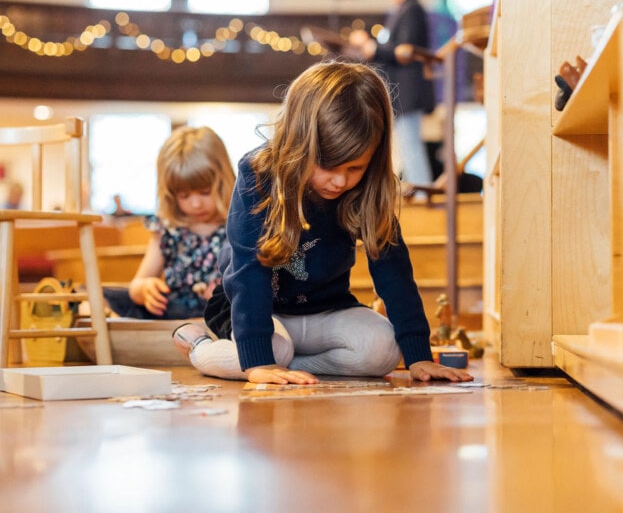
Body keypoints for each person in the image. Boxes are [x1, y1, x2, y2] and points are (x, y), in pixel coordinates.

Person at [172, 61, 473, 385]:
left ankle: (287, 365)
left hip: (325, 312)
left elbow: (394, 271)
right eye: (327, 165)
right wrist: (259, 361)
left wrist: (419, 357)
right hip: (256, 314)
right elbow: (247, 269)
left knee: (383, 351)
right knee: (271, 350)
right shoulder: (258, 174)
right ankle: (196, 344)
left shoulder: (368, 188)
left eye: (355, 168)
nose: (340, 181)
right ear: (298, 143)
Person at [101, 126, 235, 320]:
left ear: (225, 181)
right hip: (174, 314)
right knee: (105, 298)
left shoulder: (238, 225)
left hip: (224, 315)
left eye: (205, 192)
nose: (196, 204)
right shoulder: (167, 229)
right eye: (184, 195)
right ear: (171, 194)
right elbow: (137, 285)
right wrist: (146, 289)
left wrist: (228, 291)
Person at [348, 0, 435, 187]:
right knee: (406, 147)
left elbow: (404, 50)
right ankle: (416, 189)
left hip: (408, 90)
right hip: (403, 89)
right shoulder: (401, 10)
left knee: (411, 147)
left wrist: (372, 46)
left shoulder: (412, 10)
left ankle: (422, 191)